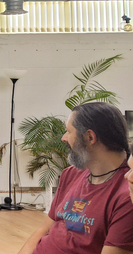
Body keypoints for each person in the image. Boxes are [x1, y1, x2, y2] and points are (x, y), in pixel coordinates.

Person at [19, 102, 133, 253]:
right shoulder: (71, 174)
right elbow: (45, 229)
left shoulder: (127, 195)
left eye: (69, 132)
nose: (64, 138)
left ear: (90, 137)